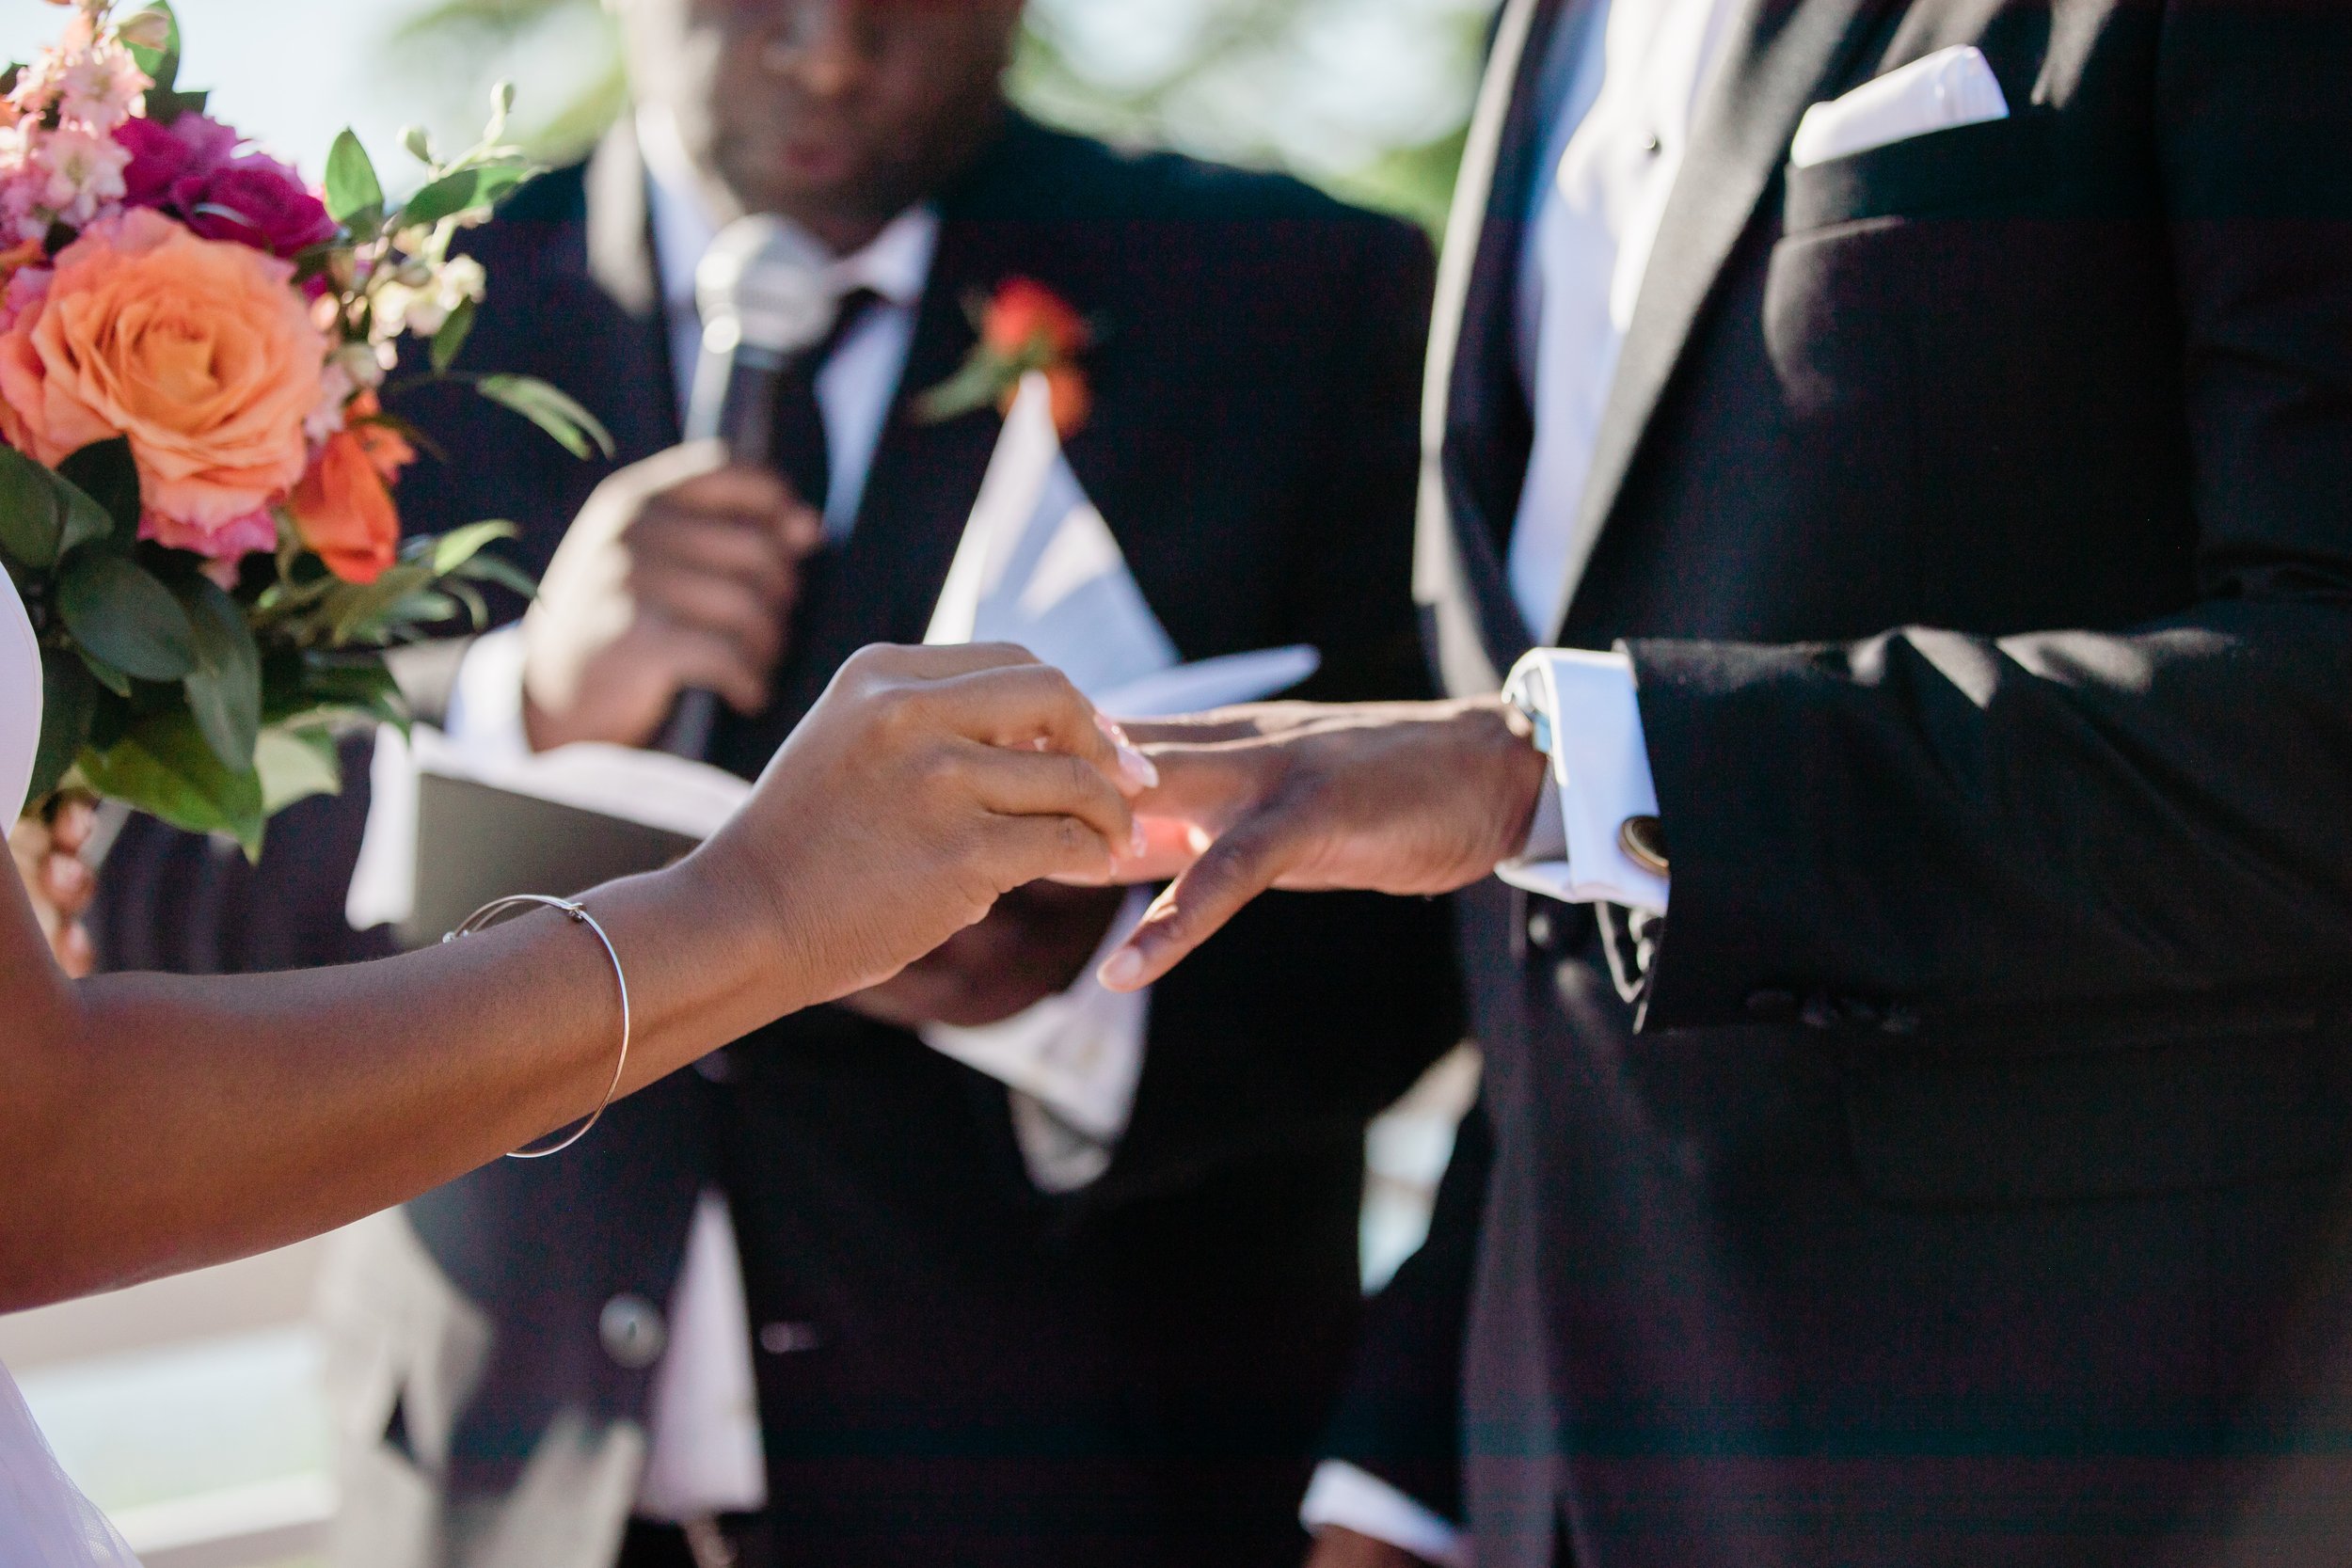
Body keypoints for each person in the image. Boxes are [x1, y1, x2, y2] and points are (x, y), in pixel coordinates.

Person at [99, 2, 1462, 1563]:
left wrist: (1087, 993)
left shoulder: (1298, 299)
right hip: (489, 1489)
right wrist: (517, 703)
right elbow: (142, 883)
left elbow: (1436, 919)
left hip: (1081, 1486)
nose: (826, 47)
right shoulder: (353, 321)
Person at [1084, 2, 2352, 1565]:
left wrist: (1562, 767)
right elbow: (1557, 942)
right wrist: (1410, 1466)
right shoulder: (1538, 38)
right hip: (1548, 1460)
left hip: (2081, 1454)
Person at [0, 522, 1154, 1560]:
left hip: (1012, 1471)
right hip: (484, 1470)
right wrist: (746, 909)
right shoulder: (424, 302)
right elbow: (79, 974)